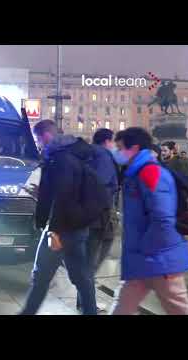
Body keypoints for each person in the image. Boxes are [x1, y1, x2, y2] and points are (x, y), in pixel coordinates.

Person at [20, 120, 99, 315]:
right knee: (80, 277)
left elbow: (64, 196)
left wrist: (54, 230)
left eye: (38, 138)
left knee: (42, 275)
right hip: (74, 227)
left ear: (46, 136)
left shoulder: (60, 158)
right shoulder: (69, 155)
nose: (38, 143)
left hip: (61, 229)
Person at [110, 127, 188, 315]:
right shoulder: (135, 173)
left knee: (179, 308)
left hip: (159, 260)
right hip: (143, 260)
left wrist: (146, 248)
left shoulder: (150, 173)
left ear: (135, 148)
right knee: (122, 308)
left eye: (120, 147)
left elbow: (163, 219)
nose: (117, 152)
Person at [75, 128, 119, 312]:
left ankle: (83, 301)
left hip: (85, 215)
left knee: (87, 261)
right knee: (92, 262)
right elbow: (100, 184)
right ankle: (88, 305)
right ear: (108, 141)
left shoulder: (86, 155)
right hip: (100, 216)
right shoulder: (103, 156)